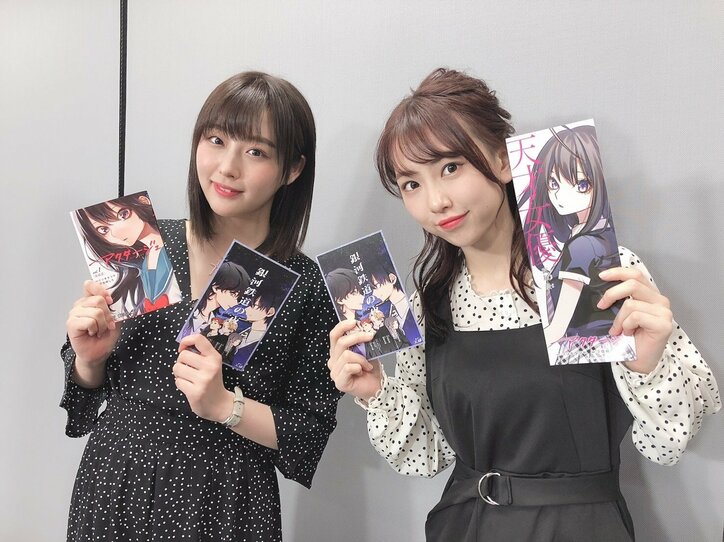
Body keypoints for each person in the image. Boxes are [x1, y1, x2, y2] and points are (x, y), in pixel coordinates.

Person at [327, 68, 720, 541]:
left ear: (501, 159)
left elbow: (667, 444)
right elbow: (427, 457)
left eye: (450, 167)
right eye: (411, 184)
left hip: (580, 529)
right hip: (466, 527)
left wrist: (649, 364)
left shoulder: (597, 275)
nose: (436, 201)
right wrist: (375, 391)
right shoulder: (428, 305)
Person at [62, 71, 341, 541]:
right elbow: (83, 401)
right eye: (216, 140)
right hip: (115, 484)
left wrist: (225, 406)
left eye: (256, 152)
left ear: (293, 169)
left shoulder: (305, 283)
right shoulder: (141, 245)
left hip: (225, 500)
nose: (227, 167)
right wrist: (89, 361)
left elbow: (308, 431)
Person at [73, 192, 182, 319]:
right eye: (104, 230)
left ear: (143, 202)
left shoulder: (176, 243)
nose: (116, 233)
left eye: (123, 214)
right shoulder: (143, 264)